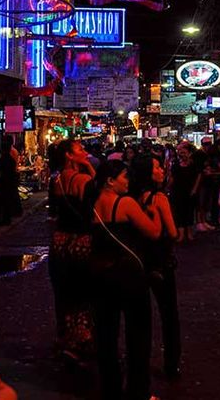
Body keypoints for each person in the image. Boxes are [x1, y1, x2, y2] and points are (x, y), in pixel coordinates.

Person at [91, 160, 161, 400]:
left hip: (101, 276)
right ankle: (138, 391)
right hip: (129, 276)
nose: (128, 180)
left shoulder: (92, 203)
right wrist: (155, 213)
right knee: (138, 335)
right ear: (110, 180)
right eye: (123, 176)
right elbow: (153, 232)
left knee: (106, 336)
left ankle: (111, 389)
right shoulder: (126, 203)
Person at [48, 139, 96, 362]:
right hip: (81, 241)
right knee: (83, 292)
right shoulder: (84, 180)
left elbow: (54, 215)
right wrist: (91, 170)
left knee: (64, 292)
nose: (85, 152)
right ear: (69, 155)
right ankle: (81, 341)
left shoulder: (56, 179)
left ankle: (65, 337)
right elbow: (96, 208)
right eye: (80, 149)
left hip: (59, 242)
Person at [133, 154, 181, 378]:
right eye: (157, 167)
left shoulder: (131, 197)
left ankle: (139, 364)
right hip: (161, 262)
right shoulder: (159, 198)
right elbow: (172, 233)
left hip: (139, 261)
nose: (162, 170)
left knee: (140, 319)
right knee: (168, 315)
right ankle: (172, 365)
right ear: (148, 172)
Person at [0, 138, 22, 225]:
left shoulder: (3, 158)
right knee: (11, 197)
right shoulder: (11, 158)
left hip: (4, 181)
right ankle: (11, 215)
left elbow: (0, 171)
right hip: (11, 179)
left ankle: (7, 217)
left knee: (5, 199)